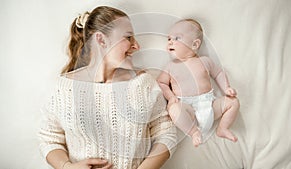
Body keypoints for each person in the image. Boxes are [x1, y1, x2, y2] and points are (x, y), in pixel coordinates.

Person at [38, 6, 177, 169]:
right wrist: (67, 166)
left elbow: (166, 133)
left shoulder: (142, 83)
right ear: (101, 40)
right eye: (129, 37)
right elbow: (49, 138)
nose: (137, 46)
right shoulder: (63, 88)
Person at [157, 18, 240, 147]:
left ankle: (222, 128)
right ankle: (194, 132)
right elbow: (161, 82)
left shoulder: (204, 61)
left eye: (177, 38)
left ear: (195, 45)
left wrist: (226, 88)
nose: (171, 42)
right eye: (169, 39)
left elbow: (218, 73)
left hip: (210, 105)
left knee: (233, 102)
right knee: (174, 110)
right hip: (187, 108)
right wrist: (171, 96)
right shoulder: (171, 66)